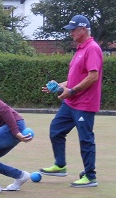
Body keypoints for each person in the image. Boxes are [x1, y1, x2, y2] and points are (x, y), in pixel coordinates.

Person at [40, 15, 103, 188]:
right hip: (71, 102)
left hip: (84, 103)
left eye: (73, 30)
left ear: (84, 29)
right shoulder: (80, 49)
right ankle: (60, 165)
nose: (71, 33)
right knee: (56, 130)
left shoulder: (92, 48)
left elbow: (93, 76)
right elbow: (76, 78)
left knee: (85, 139)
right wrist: (60, 86)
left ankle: (90, 176)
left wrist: (72, 91)